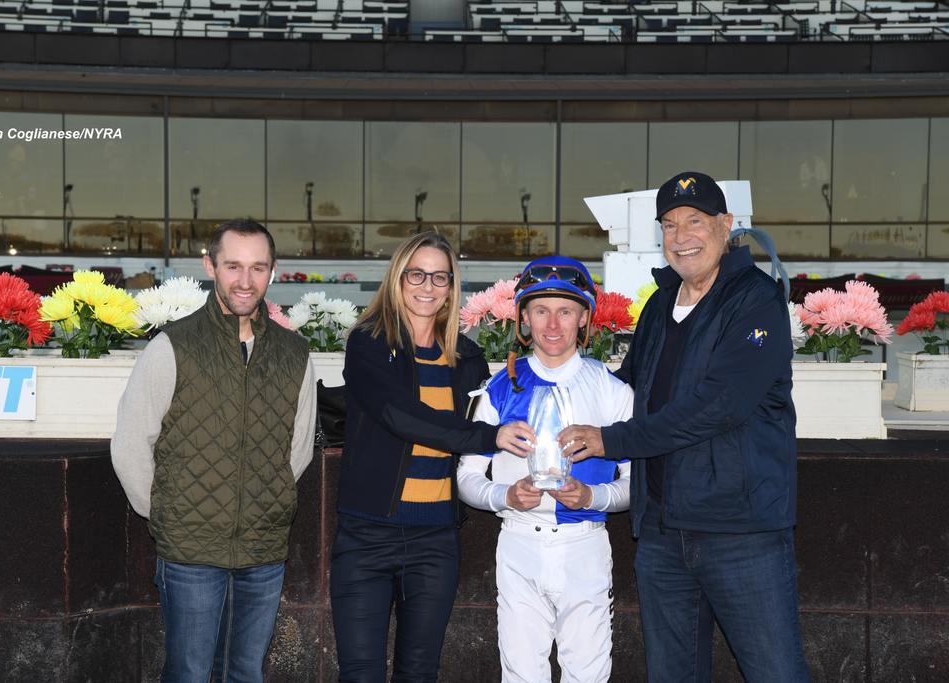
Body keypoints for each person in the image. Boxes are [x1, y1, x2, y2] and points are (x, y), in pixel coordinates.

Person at [559, 171, 810, 682]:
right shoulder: (658, 304)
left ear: (726, 225)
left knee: (776, 673)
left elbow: (719, 405)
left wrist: (611, 439)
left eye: (695, 221)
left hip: (740, 533)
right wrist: (550, 373)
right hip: (660, 534)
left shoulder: (755, 299)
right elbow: (628, 392)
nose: (681, 237)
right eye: (669, 225)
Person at [111, 219, 317, 683]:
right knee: (188, 672)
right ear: (210, 266)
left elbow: (298, 449)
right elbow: (130, 443)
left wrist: (265, 502)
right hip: (189, 551)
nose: (245, 281)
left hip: (263, 550)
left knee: (246, 672)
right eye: (233, 266)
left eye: (258, 268)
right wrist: (164, 513)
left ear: (273, 271)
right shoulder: (172, 346)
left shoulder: (294, 353)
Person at [331, 231, 535, 683]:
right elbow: (401, 415)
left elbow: (493, 426)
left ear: (451, 286)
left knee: (419, 673)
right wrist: (488, 435)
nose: (427, 286)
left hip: (434, 540)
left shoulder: (467, 358)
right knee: (360, 673)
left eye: (439, 277)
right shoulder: (368, 343)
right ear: (397, 278)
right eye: (416, 274)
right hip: (368, 534)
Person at [457, 255, 634, 683]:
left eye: (565, 311)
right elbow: (465, 478)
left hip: (585, 545)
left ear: (584, 320)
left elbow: (636, 483)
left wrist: (593, 497)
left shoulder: (614, 393)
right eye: (541, 311)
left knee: (588, 675)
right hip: (518, 543)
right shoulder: (496, 390)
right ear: (523, 318)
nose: (553, 326)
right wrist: (506, 496)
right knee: (520, 675)